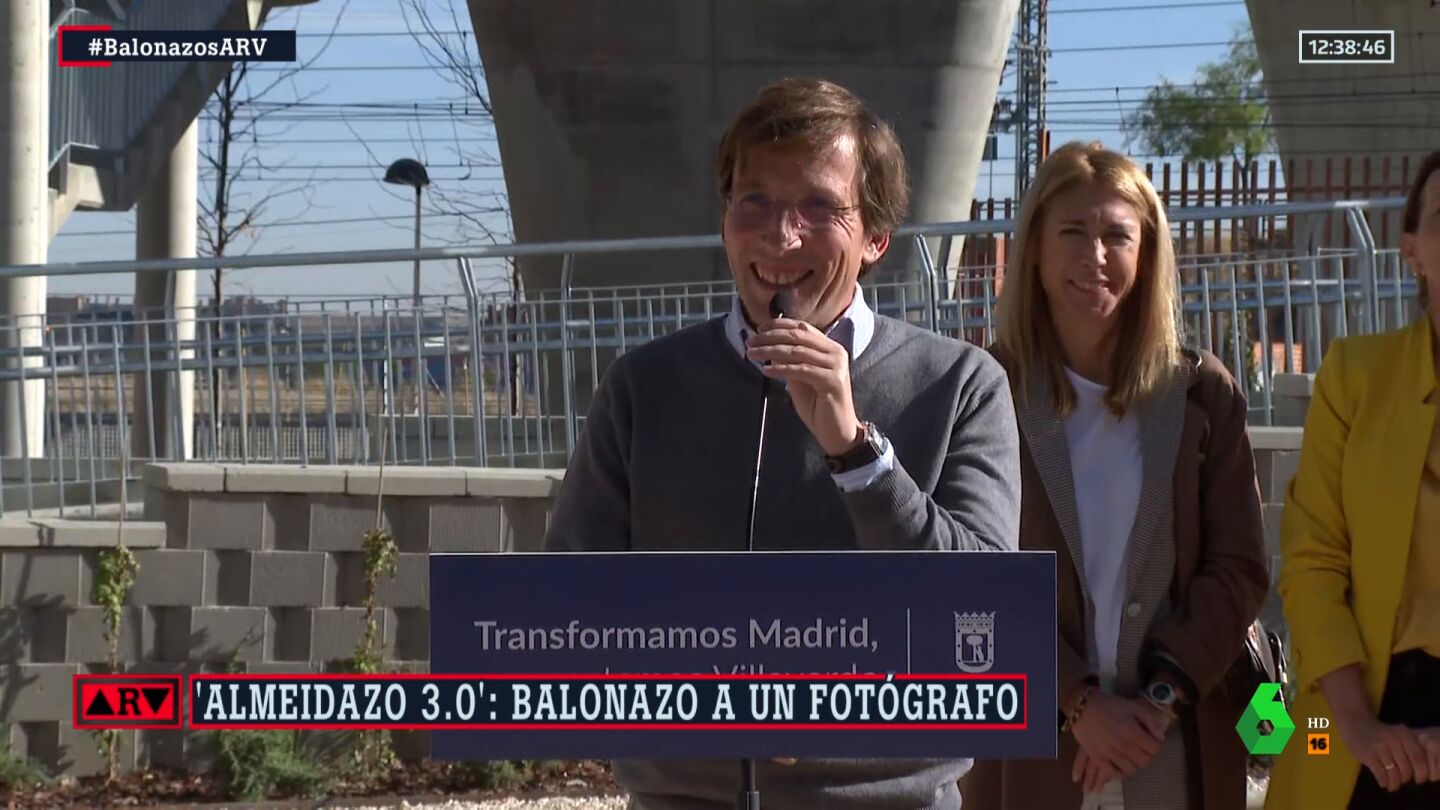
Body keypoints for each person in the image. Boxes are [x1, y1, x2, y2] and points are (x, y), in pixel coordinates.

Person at [544, 77, 1022, 808]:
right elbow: (570, 608)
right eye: (755, 201)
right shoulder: (643, 386)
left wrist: (857, 453)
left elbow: (984, 616)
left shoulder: (960, 384)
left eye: (819, 207)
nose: (781, 234)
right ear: (724, 220)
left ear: (876, 239)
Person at [959, 141, 1270, 810]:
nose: (1094, 255)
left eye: (1117, 236)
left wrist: (1155, 704)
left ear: (1146, 254)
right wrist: (1077, 702)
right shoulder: (983, 390)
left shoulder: (1201, 394)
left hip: (1173, 748)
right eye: (1072, 232)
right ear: (1034, 250)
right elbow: (968, 579)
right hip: (1030, 751)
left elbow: (1238, 570)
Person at [1265, 149, 1440, 810]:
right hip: (1353, 723)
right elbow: (1313, 562)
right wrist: (1358, 727)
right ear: (1411, 251)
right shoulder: (1356, 377)